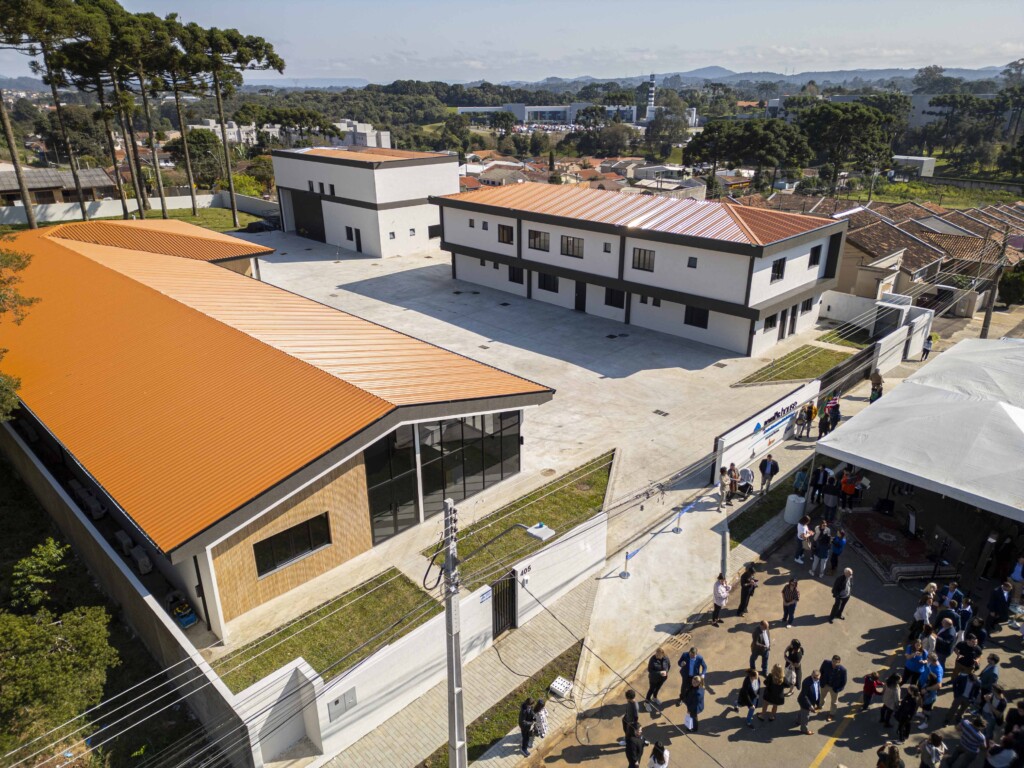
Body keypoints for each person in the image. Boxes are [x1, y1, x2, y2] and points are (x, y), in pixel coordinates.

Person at [818, 655, 847, 721]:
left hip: (834, 688)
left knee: (834, 702)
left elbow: (844, 682)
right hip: (825, 684)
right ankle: (820, 706)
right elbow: (821, 671)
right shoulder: (826, 663)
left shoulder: (843, 670)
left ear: (839, 662)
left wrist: (838, 689)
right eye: (833, 661)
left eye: (836, 662)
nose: (834, 663)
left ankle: (831, 714)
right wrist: (821, 681)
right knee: (822, 696)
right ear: (831, 660)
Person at [796, 669, 822, 735]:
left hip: (811, 701)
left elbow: (817, 691)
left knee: (802, 712)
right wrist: (810, 705)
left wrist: (818, 702)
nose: (816, 679)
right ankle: (804, 730)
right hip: (805, 702)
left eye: (817, 678)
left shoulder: (818, 681)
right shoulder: (806, 682)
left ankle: (799, 721)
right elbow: (804, 696)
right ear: (811, 675)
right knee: (806, 715)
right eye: (814, 678)